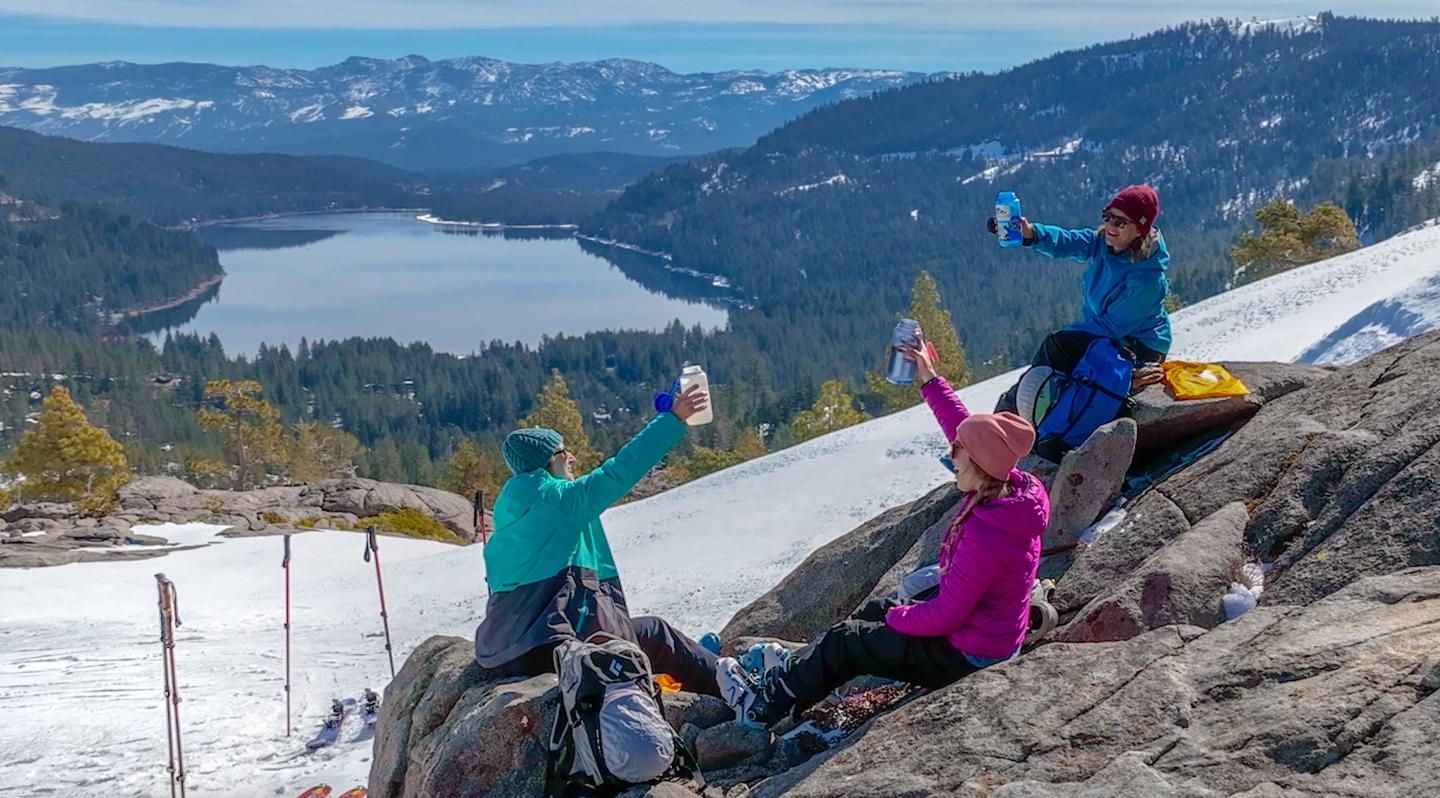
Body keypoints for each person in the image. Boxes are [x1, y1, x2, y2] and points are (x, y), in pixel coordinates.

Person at [715, 340, 1050, 728]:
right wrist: (928, 377)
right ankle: (798, 672)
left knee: (851, 640)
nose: (951, 457)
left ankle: (763, 708)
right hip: (985, 635)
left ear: (976, 464)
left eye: (958, 455)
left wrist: (897, 617)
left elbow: (948, 615)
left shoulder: (987, 533)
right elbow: (964, 429)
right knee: (874, 613)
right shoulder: (1006, 489)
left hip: (968, 655)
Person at [473, 383, 723, 697]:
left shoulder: (509, 516)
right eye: (563, 451)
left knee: (648, 635)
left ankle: (704, 663)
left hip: (503, 653)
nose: (571, 457)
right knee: (656, 634)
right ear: (548, 461)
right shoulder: (560, 499)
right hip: (554, 645)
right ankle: (733, 683)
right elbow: (621, 470)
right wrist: (672, 419)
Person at [994, 184, 1171, 411]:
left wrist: (1068, 337)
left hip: (1139, 346)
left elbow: (1112, 327)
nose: (1110, 225)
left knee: (1058, 347)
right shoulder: (1104, 244)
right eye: (1108, 217)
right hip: (1110, 334)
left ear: (1140, 230)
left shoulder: (1148, 279)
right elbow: (1069, 241)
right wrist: (1031, 233)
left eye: (1120, 222)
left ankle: (1014, 411)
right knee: (1059, 354)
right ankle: (1015, 408)